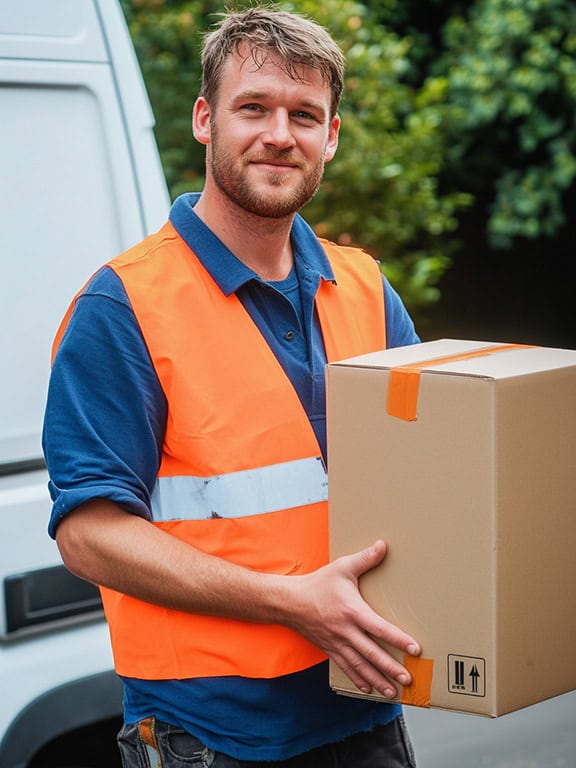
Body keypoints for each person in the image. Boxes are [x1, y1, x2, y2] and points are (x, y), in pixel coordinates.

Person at [43, 7, 423, 767]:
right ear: (205, 120)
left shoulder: (365, 287)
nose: (280, 134)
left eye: (305, 115)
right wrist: (293, 604)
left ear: (332, 136)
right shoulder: (122, 306)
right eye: (254, 108)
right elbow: (87, 534)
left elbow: (431, 467)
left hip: (365, 711)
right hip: (209, 736)